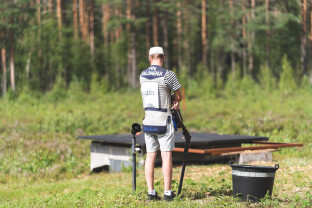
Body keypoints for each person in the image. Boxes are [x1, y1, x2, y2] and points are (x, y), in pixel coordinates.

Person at [139, 46, 182, 201]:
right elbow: (179, 95)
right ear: (163, 58)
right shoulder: (168, 75)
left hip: (148, 122)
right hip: (164, 121)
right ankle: (168, 193)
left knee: (150, 157)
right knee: (166, 156)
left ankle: (151, 192)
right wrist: (174, 99)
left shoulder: (142, 75)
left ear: (149, 58)